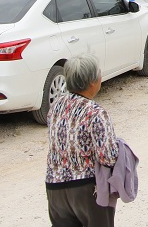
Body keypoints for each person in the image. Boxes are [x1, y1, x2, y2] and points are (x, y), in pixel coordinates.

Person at [45, 54, 120, 227]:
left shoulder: (56, 105)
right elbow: (107, 157)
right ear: (92, 82)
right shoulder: (95, 113)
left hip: (54, 187)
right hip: (86, 190)